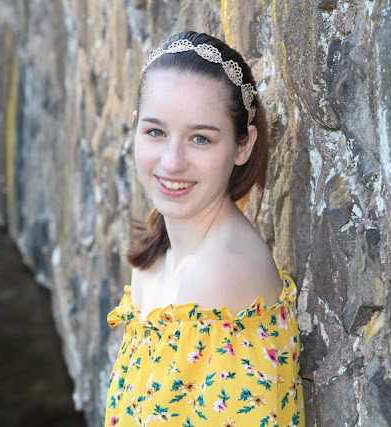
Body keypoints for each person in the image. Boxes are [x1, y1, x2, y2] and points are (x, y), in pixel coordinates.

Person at [105, 31, 304, 426]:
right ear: (135, 128)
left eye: (200, 138)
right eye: (156, 132)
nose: (172, 161)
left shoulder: (217, 277)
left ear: (243, 145)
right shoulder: (155, 256)